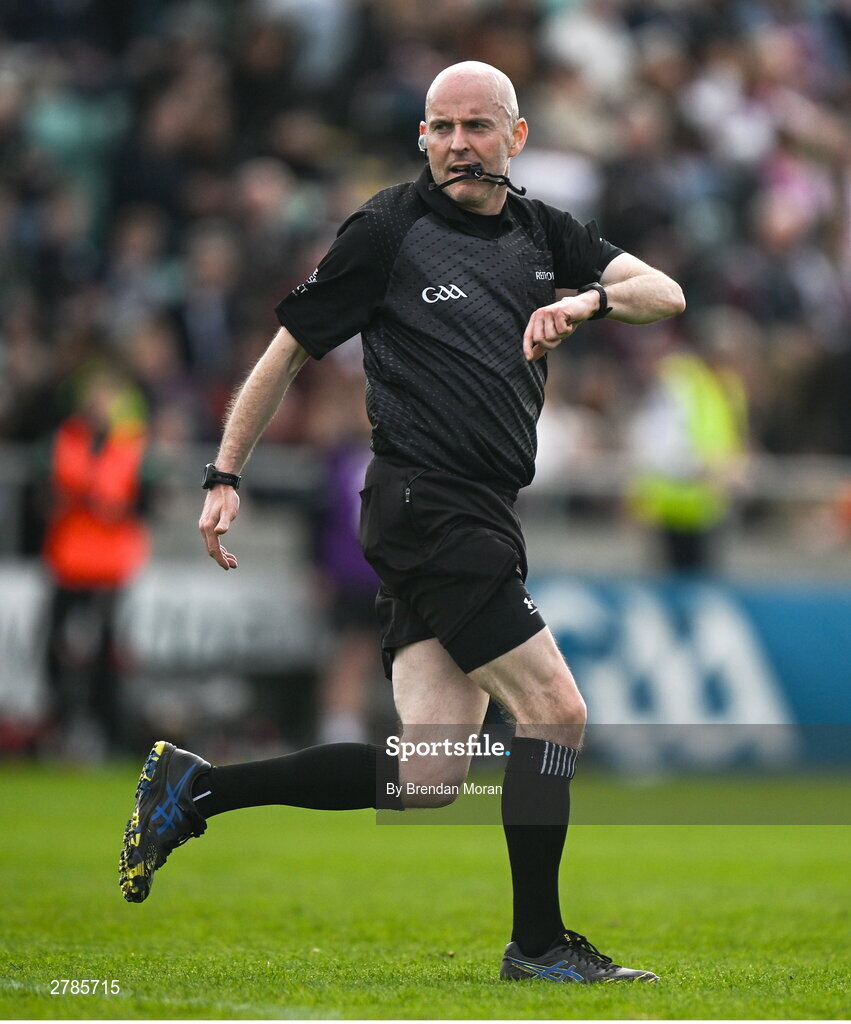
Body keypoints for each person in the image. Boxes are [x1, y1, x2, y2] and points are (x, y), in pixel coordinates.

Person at [119, 61, 685, 984]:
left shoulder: (547, 232)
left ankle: (197, 787)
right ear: (421, 137)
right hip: (429, 504)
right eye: (440, 127)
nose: (458, 144)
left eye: (476, 126)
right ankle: (538, 947)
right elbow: (285, 354)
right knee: (555, 711)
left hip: (479, 511)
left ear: (517, 135)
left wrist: (586, 300)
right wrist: (224, 471)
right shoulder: (389, 229)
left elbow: (666, 293)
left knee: (425, 777)